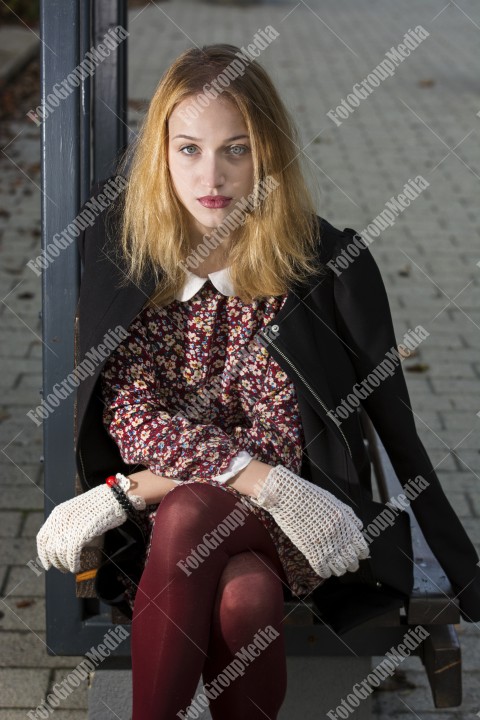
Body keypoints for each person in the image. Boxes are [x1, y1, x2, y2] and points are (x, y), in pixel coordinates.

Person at [36, 44, 480, 719]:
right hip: (168, 532)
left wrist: (127, 491)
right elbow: (132, 418)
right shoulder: (126, 255)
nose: (210, 174)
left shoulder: (316, 263)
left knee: (194, 514)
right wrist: (166, 491)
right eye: (188, 149)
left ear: (266, 153)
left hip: (303, 518)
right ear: (162, 153)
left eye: (234, 150)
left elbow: (282, 433)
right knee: (242, 594)